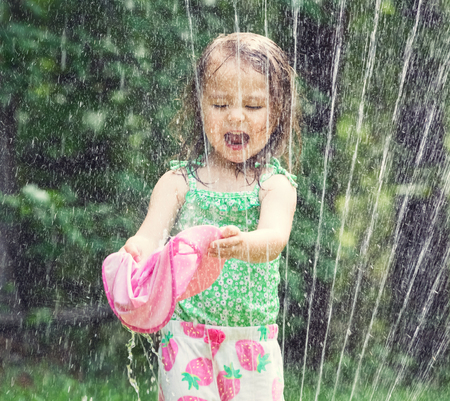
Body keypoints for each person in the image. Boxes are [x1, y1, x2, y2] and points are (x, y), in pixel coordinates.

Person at [123, 32, 301, 401]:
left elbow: (274, 240)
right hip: (185, 334)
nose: (236, 116)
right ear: (199, 106)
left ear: (278, 111)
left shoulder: (274, 185)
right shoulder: (178, 182)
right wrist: (135, 252)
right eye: (220, 104)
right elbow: (149, 235)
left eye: (253, 106)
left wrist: (240, 246)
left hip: (251, 342)